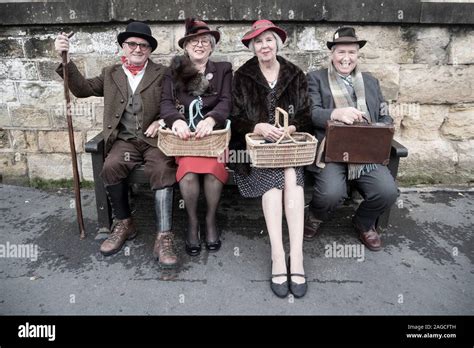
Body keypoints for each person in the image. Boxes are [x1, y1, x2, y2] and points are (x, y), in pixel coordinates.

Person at [54, 21, 179, 268]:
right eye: (132, 44)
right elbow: (82, 89)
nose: (137, 49)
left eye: (143, 45)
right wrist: (65, 60)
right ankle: (124, 223)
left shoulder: (163, 73)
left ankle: (164, 235)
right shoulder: (111, 74)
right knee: (111, 165)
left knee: (163, 169)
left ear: (149, 50)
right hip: (125, 142)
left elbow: (177, 102)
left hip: (155, 140)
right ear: (123, 47)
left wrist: (163, 120)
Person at [231, 20, 312, 298]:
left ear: (277, 43)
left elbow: (306, 115)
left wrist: (290, 127)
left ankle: (297, 257)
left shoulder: (295, 73)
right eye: (258, 41)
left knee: (291, 174)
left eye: (268, 40)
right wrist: (258, 127)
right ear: (252, 47)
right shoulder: (242, 76)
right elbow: (234, 117)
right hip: (256, 151)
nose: (264, 45)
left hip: (289, 147)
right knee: (276, 180)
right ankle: (279, 255)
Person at [305, 27, 398, 251]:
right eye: (341, 52)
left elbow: (385, 113)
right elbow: (310, 113)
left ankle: (363, 222)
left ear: (357, 55)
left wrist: (382, 125)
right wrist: (336, 114)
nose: (346, 58)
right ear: (332, 54)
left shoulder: (370, 81)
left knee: (387, 192)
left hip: (366, 152)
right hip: (332, 152)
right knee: (331, 194)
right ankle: (315, 216)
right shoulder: (316, 79)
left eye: (352, 52)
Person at [160, 18, 232, 256]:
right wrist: (177, 120)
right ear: (186, 46)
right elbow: (166, 104)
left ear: (211, 46)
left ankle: (210, 220)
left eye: (204, 41)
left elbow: (226, 101)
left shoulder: (223, 70)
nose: (199, 45)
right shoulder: (174, 72)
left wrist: (212, 119)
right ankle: (192, 222)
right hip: (186, 137)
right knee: (189, 174)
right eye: (193, 41)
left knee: (213, 173)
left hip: (214, 137)